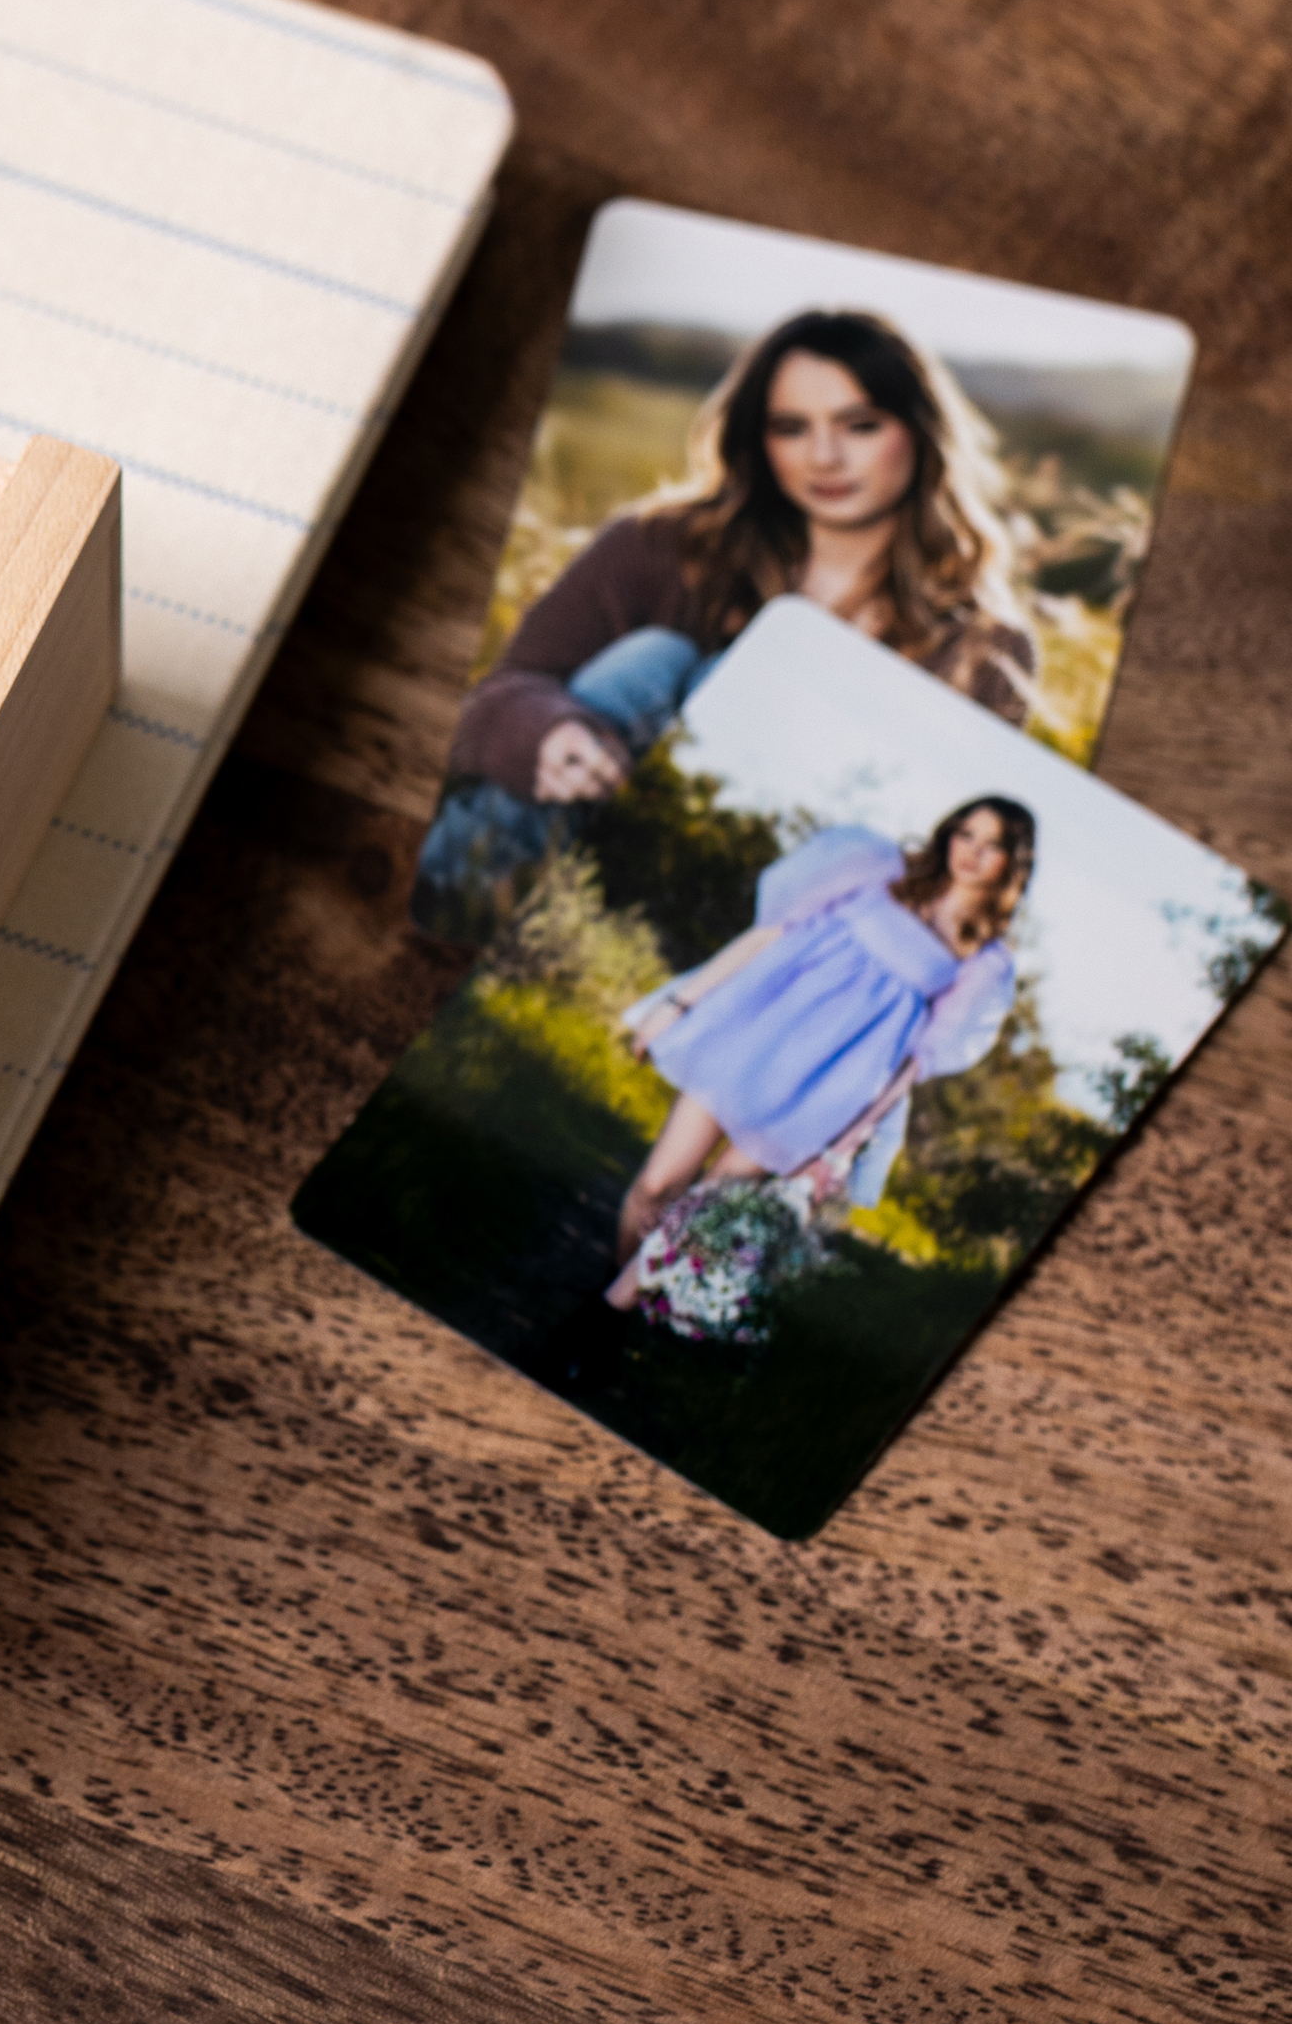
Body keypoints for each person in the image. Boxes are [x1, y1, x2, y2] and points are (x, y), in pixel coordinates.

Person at [414, 309, 1037, 941]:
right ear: (759, 441)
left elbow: (951, 844)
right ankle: (457, 911)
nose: (824, 457)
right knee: (652, 659)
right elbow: (495, 696)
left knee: (731, 678)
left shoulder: (985, 649)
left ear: (919, 433)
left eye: (861, 425)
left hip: (751, 895)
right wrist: (548, 735)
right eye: (791, 428)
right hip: (560, 830)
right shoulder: (660, 544)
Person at [604, 797, 1036, 1318]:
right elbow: (770, 932)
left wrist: (843, 1146)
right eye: (966, 834)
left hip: (819, 1089)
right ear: (949, 832)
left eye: (991, 846)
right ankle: (615, 1289)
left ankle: (603, 1324)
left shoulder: (984, 960)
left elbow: (912, 1067)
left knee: (700, 1217)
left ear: (1012, 863)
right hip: (750, 1040)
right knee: (656, 1187)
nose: (971, 853)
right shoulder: (878, 868)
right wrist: (678, 1002)